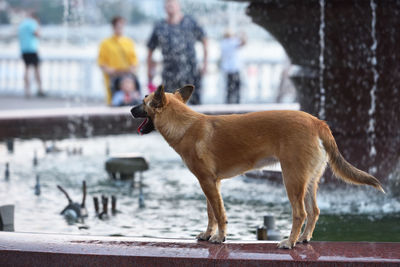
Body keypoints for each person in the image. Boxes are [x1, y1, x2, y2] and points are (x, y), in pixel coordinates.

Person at [147, 0, 207, 105]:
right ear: (164, 7)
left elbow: (205, 41)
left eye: (172, 3)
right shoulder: (160, 26)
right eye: (167, 4)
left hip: (191, 70)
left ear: (178, 6)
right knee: (170, 105)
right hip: (169, 72)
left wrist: (205, 64)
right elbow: (150, 50)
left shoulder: (190, 21)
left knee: (195, 103)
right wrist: (150, 71)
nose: (170, 6)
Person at [98, 16, 139, 105]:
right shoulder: (106, 43)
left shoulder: (128, 42)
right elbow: (101, 62)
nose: (120, 28)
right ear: (113, 27)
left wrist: (131, 69)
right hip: (113, 78)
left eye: (122, 26)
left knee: (131, 100)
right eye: (118, 26)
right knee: (114, 100)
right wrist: (110, 70)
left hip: (127, 77)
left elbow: (134, 61)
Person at [18, 12, 44, 98]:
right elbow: (37, 34)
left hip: (24, 50)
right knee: (37, 69)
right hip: (32, 49)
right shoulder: (33, 23)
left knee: (26, 69)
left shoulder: (22, 24)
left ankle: (27, 91)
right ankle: (40, 89)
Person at [220, 29, 246, 104]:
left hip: (227, 69)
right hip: (234, 68)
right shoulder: (232, 42)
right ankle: (237, 103)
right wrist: (242, 35)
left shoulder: (223, 43)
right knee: (237, 88)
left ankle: (228, 103)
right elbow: (243, 43)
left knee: (229, 89)